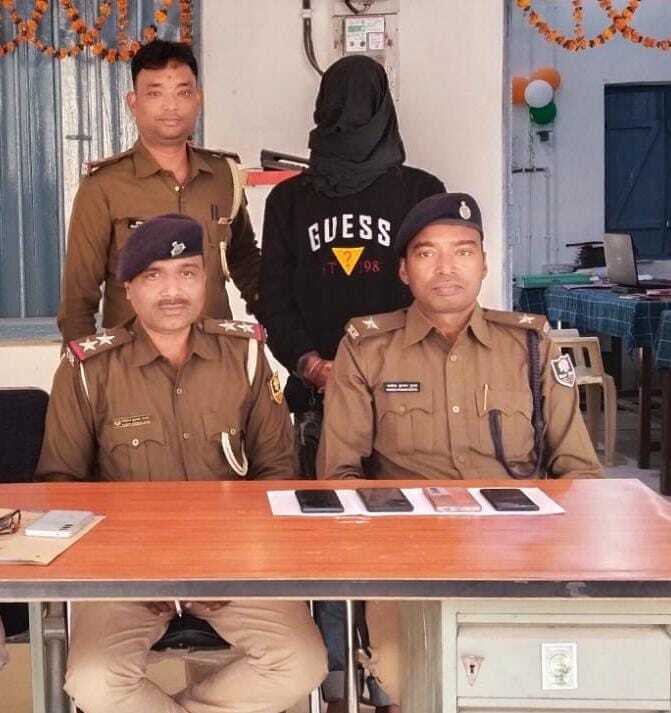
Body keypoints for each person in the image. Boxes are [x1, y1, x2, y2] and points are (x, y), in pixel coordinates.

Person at [36, 214, 327, 713]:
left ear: (205, 280)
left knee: (301, 664)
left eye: (187, 273)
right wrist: (132, 570)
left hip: (234, 564)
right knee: (93, 681)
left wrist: (231, 564)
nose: (173, 291)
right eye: (154, 276)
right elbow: (62, 489)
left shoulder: (246, 356)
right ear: (128, 289)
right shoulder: (88, 369)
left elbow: (277, 477)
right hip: (124, 571)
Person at [259, 55, 444, 712]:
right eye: (338, 103)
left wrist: (384, 375)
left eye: (361, 103)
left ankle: (395, 685)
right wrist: (312, 365)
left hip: (406, 407)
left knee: (401, 548)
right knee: (329, 547)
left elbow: (434, 292)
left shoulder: (420, 191)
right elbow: (272, 297)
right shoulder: (289, 199)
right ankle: (335, 687)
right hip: (316, 401)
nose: (348, 116)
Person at [317, 192, 602, 480]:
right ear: (404, 270)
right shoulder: (366, 349)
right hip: (406, 510)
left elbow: (580, 471)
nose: (445, 269)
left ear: (484, 264)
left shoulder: (532, 345)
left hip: (511, 509)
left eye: (463, 252)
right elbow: (339, 475)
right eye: (427, 254)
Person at [58, 39, 261, 344]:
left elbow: (245, 261)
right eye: (155, 93)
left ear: (198, 99)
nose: (171, 106)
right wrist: (81, 366)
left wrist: (287, 331)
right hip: (133, 363)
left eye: (183, 92)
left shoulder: (223, 176)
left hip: (216, 360)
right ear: (133, 103)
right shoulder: (103, 187)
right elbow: (79, 298)